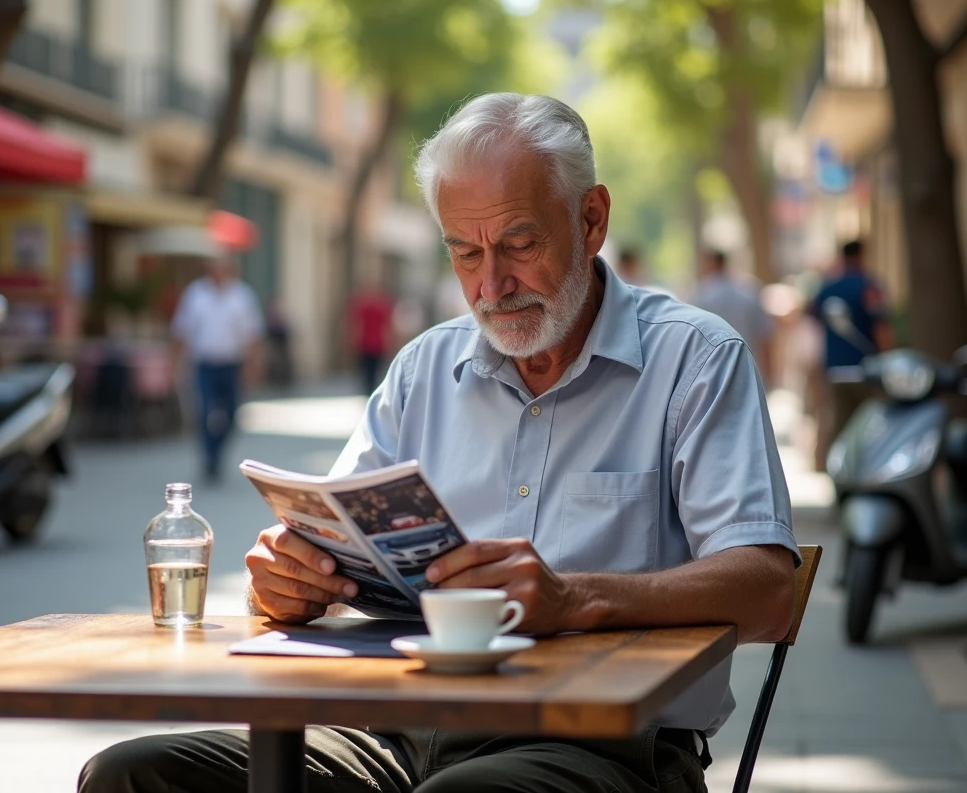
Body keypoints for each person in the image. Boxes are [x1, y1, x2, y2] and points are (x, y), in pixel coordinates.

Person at [81, 93, 798, 793]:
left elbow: (767, 590)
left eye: (519, 243)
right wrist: (292, 574)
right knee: (133, 775)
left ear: (591, 219)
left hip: (601, 744)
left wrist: (577, 598)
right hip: (394, 727)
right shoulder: (425, 368)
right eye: (464, 252)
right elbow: (332, 534)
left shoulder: (696, 360)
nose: (492, 284)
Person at [171, 252, 265, 482]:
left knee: (231, 416)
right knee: (204, 412)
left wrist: (252, 366)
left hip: (231, 364)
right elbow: (181, 331)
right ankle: (210, 458)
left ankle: (218, 451)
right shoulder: (196, 294)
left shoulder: (242, 296)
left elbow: (252, 336)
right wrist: (176, 364)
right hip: (205, 364)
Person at [808, 239, 896, 464]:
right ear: (861, 255)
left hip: (835, 368)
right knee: (869, 424)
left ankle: (835, 467)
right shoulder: (868, 287)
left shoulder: (827, 287)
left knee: (839, 421)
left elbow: (814, 321)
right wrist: (889, 359)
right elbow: (881, 328)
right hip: (866, 368)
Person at [692, 249, 775, 383]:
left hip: (714, 371)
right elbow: (764, 335)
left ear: (711, 264)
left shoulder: (701, 295)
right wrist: (770, 372)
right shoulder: (749, 291)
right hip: (749, 366)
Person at [347, 282, 395, 395]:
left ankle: (369, 390)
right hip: (371, 344)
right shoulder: (380, 305)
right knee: (372, 370)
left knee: (368, 370)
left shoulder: (363, 305)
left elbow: (355, 325)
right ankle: (371, 390)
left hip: (370, 344)